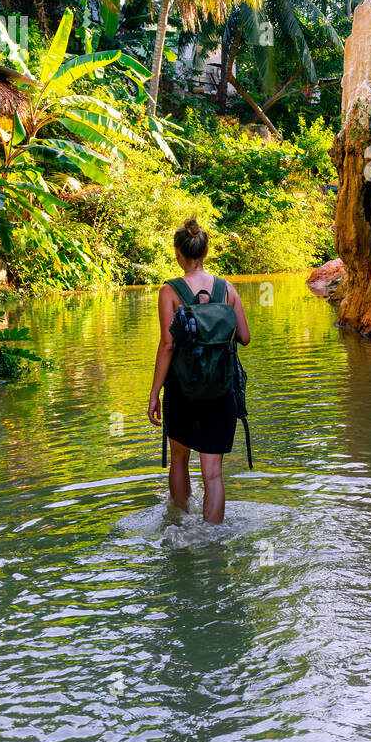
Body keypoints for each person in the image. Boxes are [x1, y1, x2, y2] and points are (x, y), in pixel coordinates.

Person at [147, 218, 250, 524]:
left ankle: (179, 526)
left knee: (179, 459)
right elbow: (244, 337)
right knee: (214, 474)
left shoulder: (170, 291)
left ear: (178, 253)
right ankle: (213, 539)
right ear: (205, 252)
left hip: (183, 390)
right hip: (221, 390)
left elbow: (167, 345)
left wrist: (154, 394)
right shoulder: (227, 289)